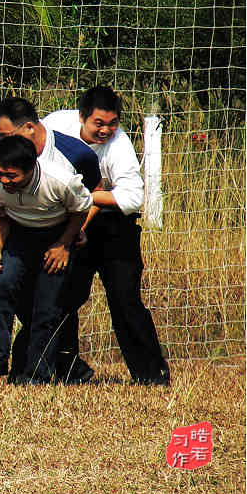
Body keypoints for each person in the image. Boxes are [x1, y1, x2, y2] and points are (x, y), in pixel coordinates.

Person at [41, 86, 171, 385]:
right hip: (70, 222)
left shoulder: (119, 145)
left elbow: (132, 198)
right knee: (62, 296)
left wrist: (89, 197)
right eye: (98, 123)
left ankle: (152, 375)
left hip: (115, 229)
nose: (106, 130)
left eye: (112, 123)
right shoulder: (56, 126)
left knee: (125, 300)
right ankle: (66, 370)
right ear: (82, 117)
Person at [0, 96, 101, 383]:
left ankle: (39, 374)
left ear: (32, 168)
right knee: (2, 288)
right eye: (1, 174)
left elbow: (81, 209)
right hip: (21, 237)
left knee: (48, 306)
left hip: (56, 236)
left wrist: (63, 245)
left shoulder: (62, 179)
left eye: (12, 176)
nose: (5, 180)